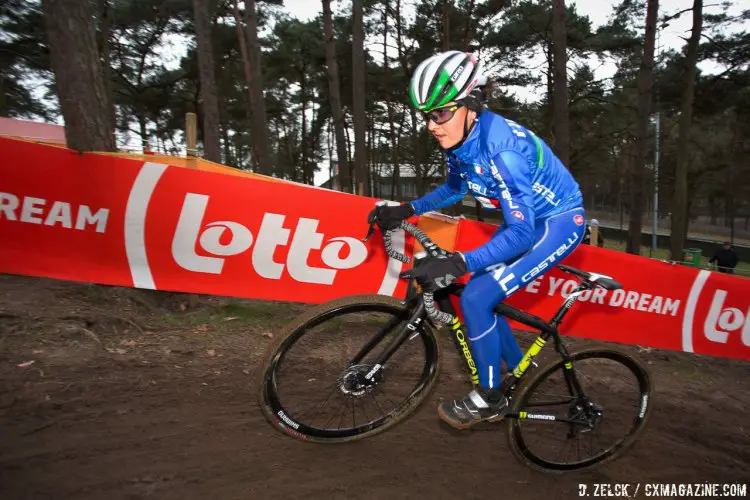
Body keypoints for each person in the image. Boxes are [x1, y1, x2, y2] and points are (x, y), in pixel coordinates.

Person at [367, 51, 586, 430]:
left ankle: (489, 397)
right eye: (426, 115)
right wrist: (407, 209)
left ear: (472, 105)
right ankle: (520, 370)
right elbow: (454, 188)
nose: (432, 125)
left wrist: (457, 263)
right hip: (526, 222)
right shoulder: (463, 142)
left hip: (558, 224)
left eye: (440, 114)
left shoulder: (502, 151)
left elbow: (519, 234)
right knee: (482, 292)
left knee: (476, 295)